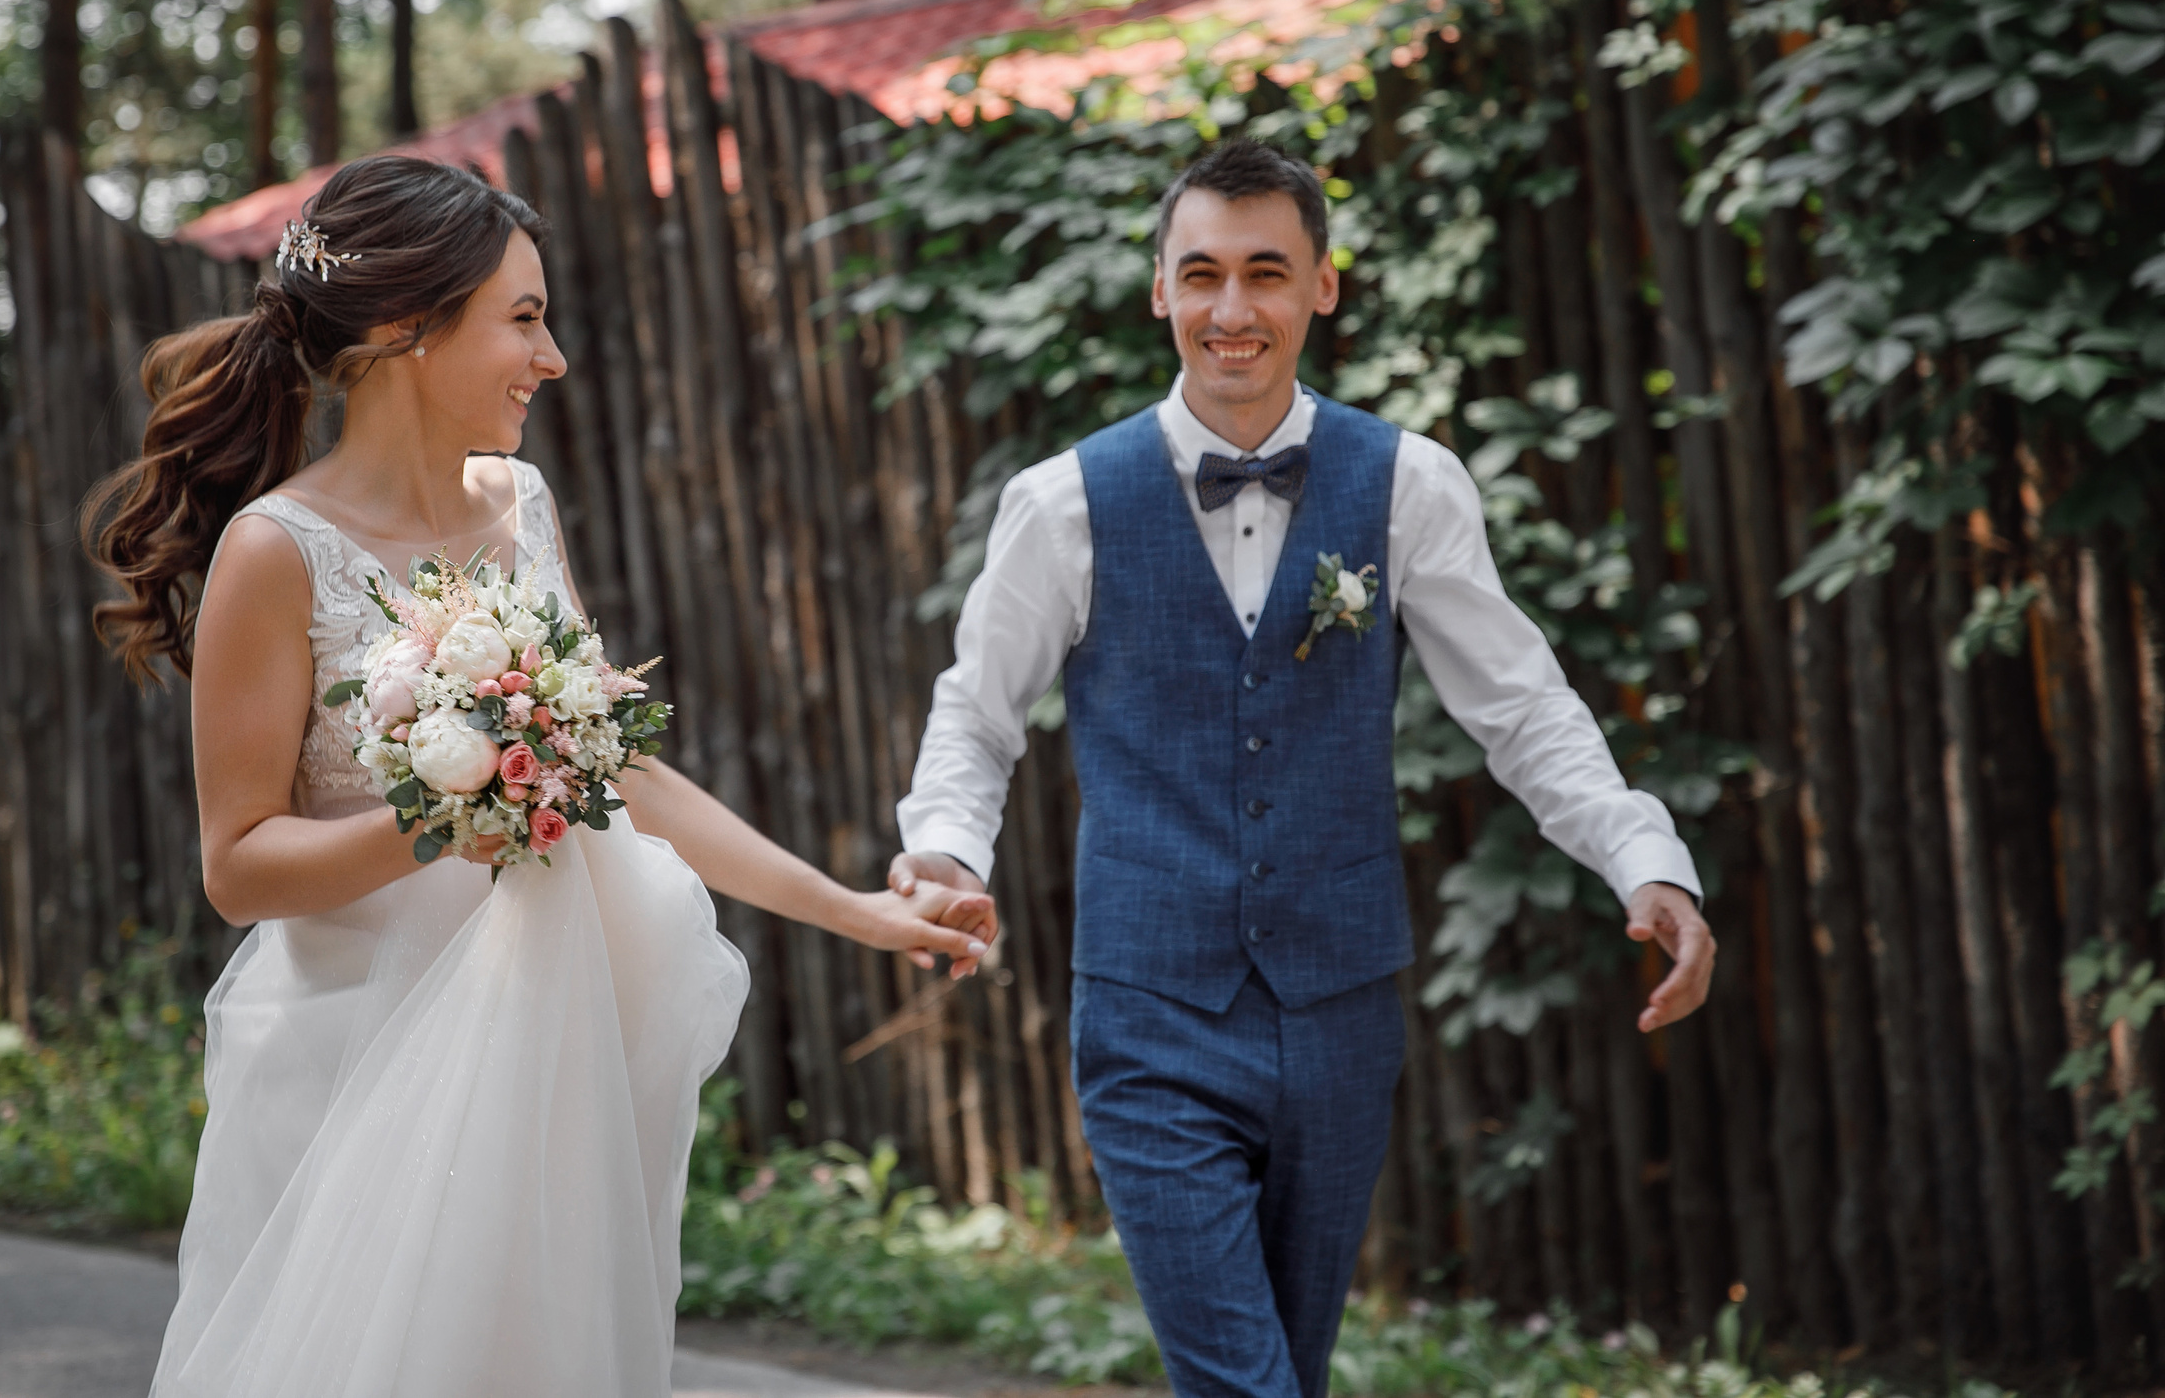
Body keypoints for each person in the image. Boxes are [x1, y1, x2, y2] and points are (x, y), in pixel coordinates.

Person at [84, 154, 998, 1398]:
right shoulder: (276, 551)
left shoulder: (521, 504)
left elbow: (620, 773)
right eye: (522, 318)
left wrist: (860, 912)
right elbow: (238, 867)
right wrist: (445, 814)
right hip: (361, 1071)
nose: (551, 357)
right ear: (408, 329)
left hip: (553, 1067)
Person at [889, 139, 1714, 1398]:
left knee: (1290, 1368)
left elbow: (1519, 705)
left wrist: (1640, 855)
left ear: (1322, 286)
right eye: (1201, 274)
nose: (1231, 309)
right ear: (1158, 289)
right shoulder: (1062, 504)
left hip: (1340, 1009)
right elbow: (977, 714)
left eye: (1265, 273)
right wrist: (946, 848)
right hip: (1150, 1013)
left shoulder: (1408, 484)